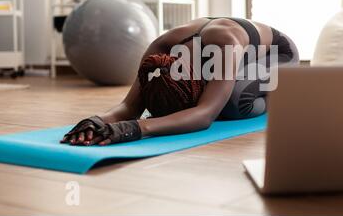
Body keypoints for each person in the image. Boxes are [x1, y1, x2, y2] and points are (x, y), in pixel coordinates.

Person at [61, 17, 299, 146]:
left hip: (279, 54)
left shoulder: (225, 42)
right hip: (233, 58)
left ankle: (278, 95)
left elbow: (205, 114)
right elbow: (128, 107)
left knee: (235, 103)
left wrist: (134, 129)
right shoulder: (159, 52)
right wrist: (95, 121)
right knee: (220, 96)